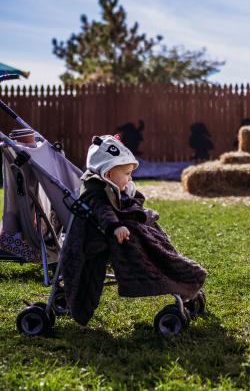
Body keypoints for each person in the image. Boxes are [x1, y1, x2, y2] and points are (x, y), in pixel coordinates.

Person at [61, 135, 207, 326]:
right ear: (108, 174)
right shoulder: (95, 191)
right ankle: (176, 277)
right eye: (127, 173)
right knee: (142, 243)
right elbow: (103, 211)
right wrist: (115, 226)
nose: (130, 178)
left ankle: (179, 273)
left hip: (122, 227)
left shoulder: (115, 187)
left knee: (154, 235)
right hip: (99, 238)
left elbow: (133, 200)